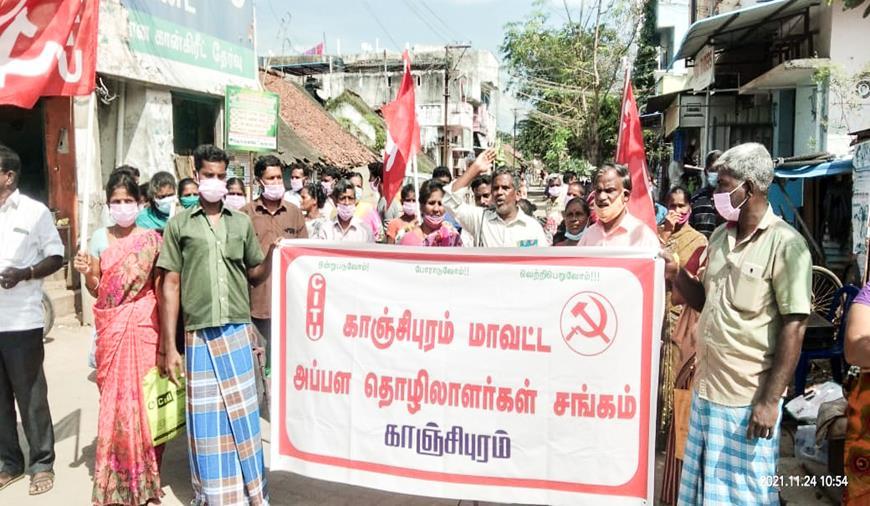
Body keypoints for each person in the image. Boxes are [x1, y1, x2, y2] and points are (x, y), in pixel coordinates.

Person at [666, 143, 811, 505]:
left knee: (744, 496)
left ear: (747, 188)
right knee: (704, 494)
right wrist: (676, 274)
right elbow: (703, 300)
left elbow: (795, 326)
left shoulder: (786, 245)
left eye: (722, 184)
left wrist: (769, 401)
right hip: (706, 392)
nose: (715, 194)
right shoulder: (719, 237)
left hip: (747, 401)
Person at [157, 144, 274, 505]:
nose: (215, 182)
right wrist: (170, 346)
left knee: (243, 419)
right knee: (207, 424)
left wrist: (273, 255)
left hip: (237, 330)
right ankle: (213, 494)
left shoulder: (240, 223)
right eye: (208, 175)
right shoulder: (179, 225)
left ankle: (252, 492)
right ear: (195, 174)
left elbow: (254, 272)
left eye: (221, 176)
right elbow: (170, 285)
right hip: (198, 335)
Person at [74, 172, 164, 506]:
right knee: (114, 404)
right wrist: (87, 273)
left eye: (129, 201)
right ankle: (117, 476)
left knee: (145, 402)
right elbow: (97, 289)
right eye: (116, 201)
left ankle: (147, 476)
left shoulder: (152, 239)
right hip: (111, 330)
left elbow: (160, 287)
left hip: (143, 327)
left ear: (140, 204)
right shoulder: (99, 237)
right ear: (108, 204)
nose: (122, 207)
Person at [0, 146, 64, 497]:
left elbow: (57, 256)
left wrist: (25, 273)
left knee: (31, 396)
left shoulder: (34, 212)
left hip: (21, 320)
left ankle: (42, 462)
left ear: (8, 176)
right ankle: (9, 463)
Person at [242, 155, 307, 375]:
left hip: (288, 304)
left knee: (285, 367)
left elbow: (305, 257)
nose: (277, 182)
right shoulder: (245, 214)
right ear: (260, 181)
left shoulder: (294, 213)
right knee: (256, 367)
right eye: (271, 178)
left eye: (280, 177)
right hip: (256, 304)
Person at [444, 149, 547, 248]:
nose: (499, 192)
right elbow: (449, 201)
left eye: (505, 188)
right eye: (495, 188)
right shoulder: (480, 219)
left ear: (517, 193)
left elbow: (542, 262)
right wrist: (475, 168)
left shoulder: (532, 227)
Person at [577, 164, 660, 248]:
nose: (601, 197)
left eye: (609, 191)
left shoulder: (643, 236)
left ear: (626, 195)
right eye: (598, 191)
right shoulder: (589, 234)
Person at [399, 181, 462, 247]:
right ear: (422, 206)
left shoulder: (453, 237)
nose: (436, 209)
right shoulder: (408, 240)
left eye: (440, 204)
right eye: (431, 203)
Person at [690, 150, 724, 238]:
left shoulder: (733, 198)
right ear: (706, 172)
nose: (717, 174)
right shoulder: (696, 198)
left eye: (720, 170)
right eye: (713, 170)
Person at [349, 172, 383, 241]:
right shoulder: (341, 210)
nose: (355, 189)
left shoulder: (369, 209)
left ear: (362, 189)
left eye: (358, 186)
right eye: (352, 186)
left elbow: (380, 236)